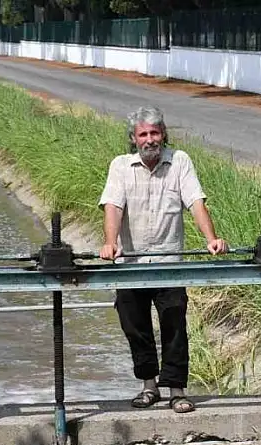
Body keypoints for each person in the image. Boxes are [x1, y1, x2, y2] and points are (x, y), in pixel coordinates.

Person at [98, 106, 228, 414]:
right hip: (131, 265)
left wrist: (211, 238)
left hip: (169, 262)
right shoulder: (120, 166)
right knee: (134, 326)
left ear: (163, 134)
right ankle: (148, 386)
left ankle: (177, 391)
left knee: (174, 325)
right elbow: (113, 207)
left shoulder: (179, 161)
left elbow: (196, 202)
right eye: (143, 134)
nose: (149, 139)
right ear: (133, 138)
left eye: (154, 133)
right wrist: (109, 243)